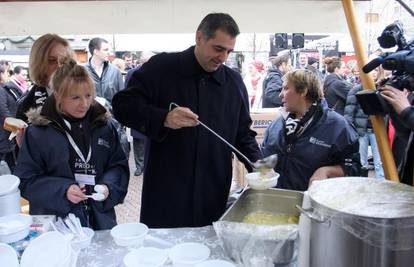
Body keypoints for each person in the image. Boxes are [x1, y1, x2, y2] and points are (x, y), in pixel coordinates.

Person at [112, 13, 261, 228]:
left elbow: (242, 135)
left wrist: (258, 165)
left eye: (229, 51)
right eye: (218, 48)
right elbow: (122, 105)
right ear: (199, 38)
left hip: (213, 188)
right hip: (167, 188)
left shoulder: (233, 82)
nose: (223, 57)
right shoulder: (162, 67)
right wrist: (163, 117)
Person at [14, 57, 129, 230]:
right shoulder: (38, 133)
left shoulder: (105, 126)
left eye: (88, 95)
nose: (84, 104)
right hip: (58, 225)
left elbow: (118, 166)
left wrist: (108, 187)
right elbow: (26, 180)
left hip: (101, 220)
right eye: (75, 97)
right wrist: (63, 190)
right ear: (58, 95)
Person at [261, 69, 360, 191]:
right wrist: (261, 170)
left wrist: (326, 171)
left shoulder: (338, 126)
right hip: (276, 199)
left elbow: (353, 167)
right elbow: (264, 157)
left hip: (314, 204)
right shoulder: (277, 123)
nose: (280, 94)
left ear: (303, 91)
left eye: (286, 88)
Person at [16, 34, 73, 123]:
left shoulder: (84, 93)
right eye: (52, 61)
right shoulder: (26, 105)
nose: (59, 66)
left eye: (64, 60)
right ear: (38, 64)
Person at [344, 67, 385, 179]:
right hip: (361, 131)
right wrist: (350, 132)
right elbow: (349, 113)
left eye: (376, 70)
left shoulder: (382, 90)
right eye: (372, 70)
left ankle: (380, 186)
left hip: (377, 131)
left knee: (379, 162)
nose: (373, 73)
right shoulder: (356, 90)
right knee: (361, 162)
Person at [85, 37, 124, 104]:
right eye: (106, 50)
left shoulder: (115, 71)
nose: (109, 53)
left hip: (112, 113)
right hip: (89, 113)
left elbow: (122, 96)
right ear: (96, 51)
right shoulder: (81, 71)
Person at [0, 66, 20, 170]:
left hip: (5, 135)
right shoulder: (1, 90)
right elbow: (3, 112)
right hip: (4, 136)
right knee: (6, 166)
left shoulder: (4, 89)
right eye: (7, 72)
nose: (8, 75)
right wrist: (16, 128)